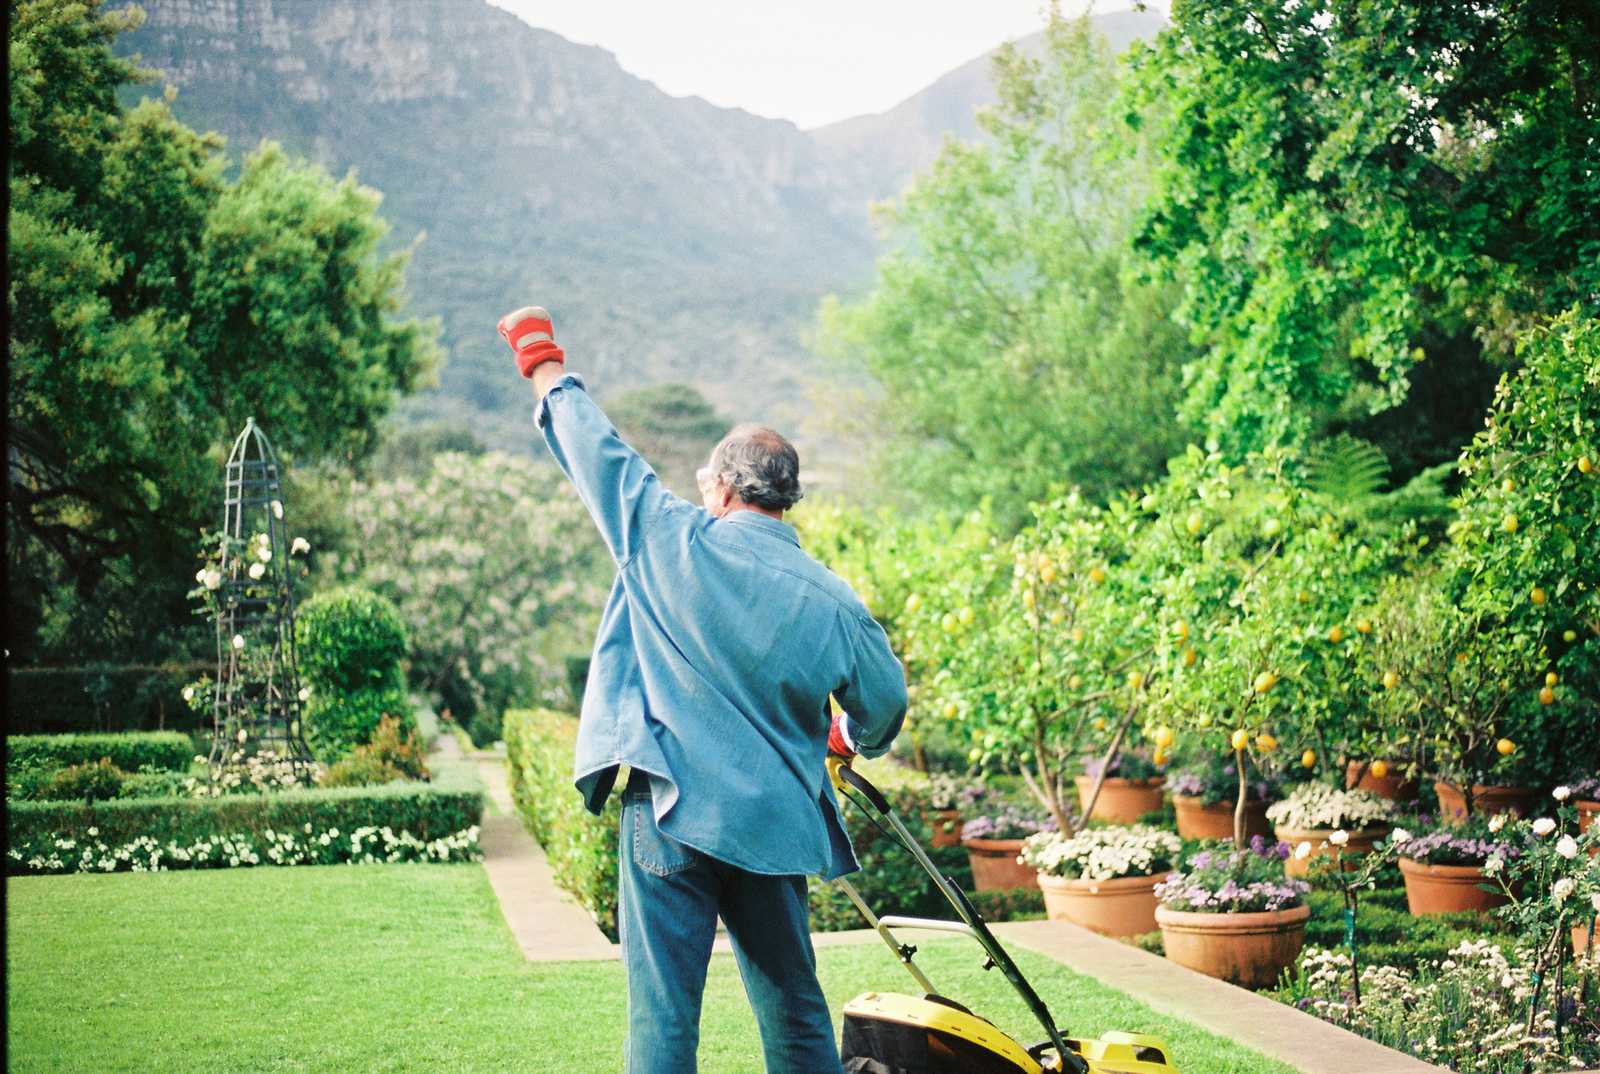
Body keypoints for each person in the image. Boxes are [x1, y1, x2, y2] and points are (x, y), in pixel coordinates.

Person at [498, 306, 908, 1074]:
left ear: (722, 488)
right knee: (793, 1009)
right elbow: (884, 708)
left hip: (669, 818)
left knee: (663, 1020)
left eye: (704, 481)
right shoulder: (833, 599)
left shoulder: (665, 537)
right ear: (785, 501)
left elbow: (598, 452)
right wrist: (847, 739)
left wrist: (542, 358)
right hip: (774, 829)